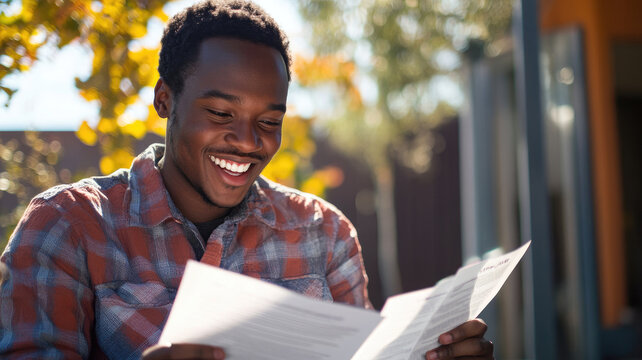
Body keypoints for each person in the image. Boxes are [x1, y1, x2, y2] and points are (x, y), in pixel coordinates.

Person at [0, 1, 494, 359]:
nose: (247, 141)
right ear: (164, 101)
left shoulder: (324, 232)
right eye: (220, 112)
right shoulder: (68, 225)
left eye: (269, 122)